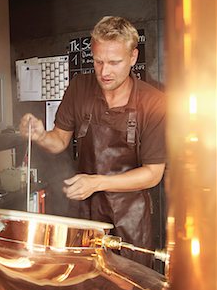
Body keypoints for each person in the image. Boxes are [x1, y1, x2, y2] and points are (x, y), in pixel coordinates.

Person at [19, 16, 166, 266]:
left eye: (114, 62)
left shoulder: (154, 102)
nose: (104, 72)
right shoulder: (80, 87)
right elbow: (59, 141)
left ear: (132, 57)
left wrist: (98, 182)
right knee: (83, 283)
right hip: (85, 213)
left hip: (131, 217)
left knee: (130, 289)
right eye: (98, 62)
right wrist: (41, 135)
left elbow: (153, 174)